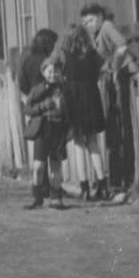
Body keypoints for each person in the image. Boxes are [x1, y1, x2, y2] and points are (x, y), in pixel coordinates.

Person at [82, 3, 136, 201]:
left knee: (122, 127)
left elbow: (122, 45)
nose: (88, 24)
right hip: (112, 83)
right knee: (115, 129)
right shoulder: (96, 35)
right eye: (85, 22)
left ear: (99, 16)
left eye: (90, 20)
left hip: (124, 78)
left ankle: (125, 181)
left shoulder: (106, 26)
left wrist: (115, 68)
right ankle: (117, 181)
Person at [57, 23, 109, 201]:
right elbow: (99, 72)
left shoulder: (66, 56)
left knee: (79, 144)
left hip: (75, 100)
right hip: (92, 97)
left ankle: (85, 188)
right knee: (93, 143)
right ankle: (103, 186)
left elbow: (61, 77)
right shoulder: (92, 54)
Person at [22, 57, 71, 210]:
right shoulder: (37, 89)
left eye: (56, 71)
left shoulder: (65, 89)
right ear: (43, 72)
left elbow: (72, 111)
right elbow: (27, 109)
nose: (53, 74)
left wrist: (70, 130)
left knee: (55, 167)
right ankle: (37, 198)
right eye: (49, 71)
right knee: (38, 167)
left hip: (58, 130)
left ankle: (56, 198)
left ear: (60, 72)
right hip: (42, 129)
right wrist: (42, 106)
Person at [19, 29, 60, 208]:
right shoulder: (54, 61)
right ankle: (53, 192)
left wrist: (33, 95)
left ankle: (42, 190)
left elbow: (22, 84)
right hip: (53, 115)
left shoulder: (27, 61)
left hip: (38, 115)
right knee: (54, 160)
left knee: (39, 158)